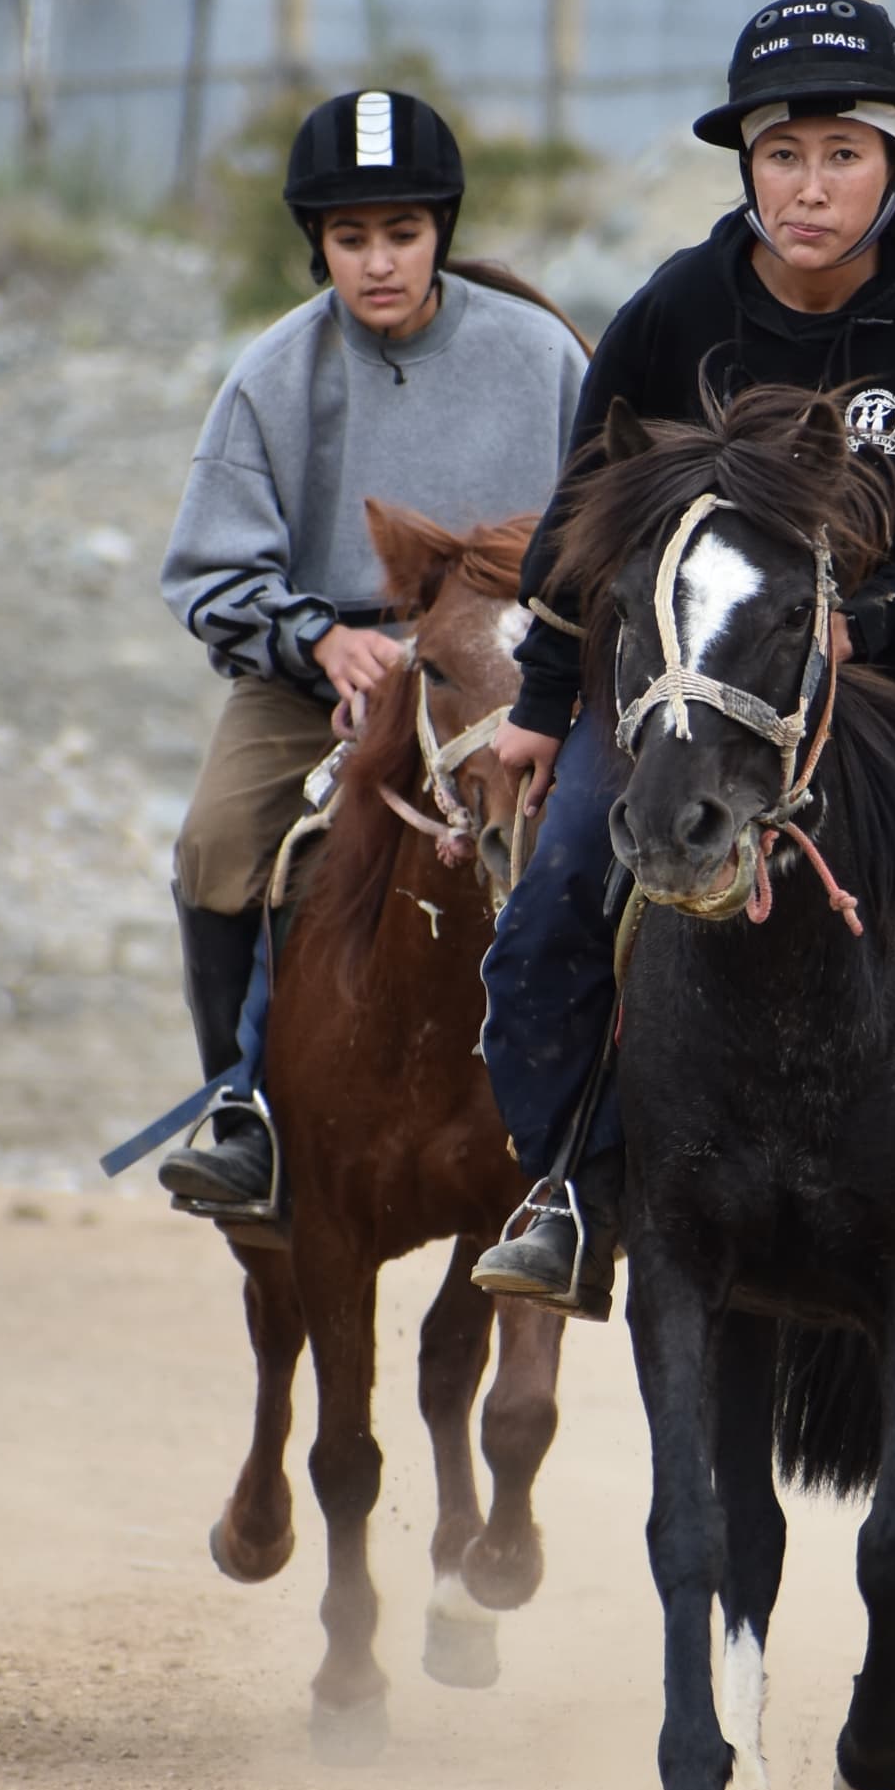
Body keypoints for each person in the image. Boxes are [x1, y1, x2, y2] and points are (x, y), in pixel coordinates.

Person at [470, 0, 895, 1325]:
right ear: (746, 166)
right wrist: (541, 703)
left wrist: (858, 630)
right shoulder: (673, 314)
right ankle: (570, 1188)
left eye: (842, 155)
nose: (809, 187)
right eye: (783, 156)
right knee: (554, 900)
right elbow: (577, 537)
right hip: (690, 681)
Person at [148, 88, 588, 1218]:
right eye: (350, 238)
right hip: (316, 670)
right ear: (317, 246)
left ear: (441, 229)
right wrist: (317, 640)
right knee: (212, 845)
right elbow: (206, 569)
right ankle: (237, 1102)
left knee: (628, 831)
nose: (378, 262)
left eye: (401, 232)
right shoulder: (271, 375)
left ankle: (616, 1110)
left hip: (510, 673)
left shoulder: (542, 357)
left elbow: (603, 531)